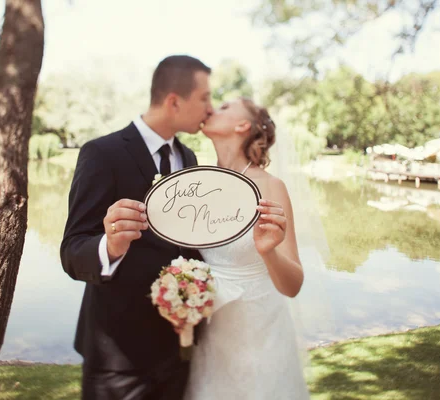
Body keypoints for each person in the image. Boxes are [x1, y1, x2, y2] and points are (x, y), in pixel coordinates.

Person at [60, 55, 213, 400]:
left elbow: (186, 247)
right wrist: (110, 245)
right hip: (117, 358)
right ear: (175, 100)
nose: (209, 108)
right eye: (204, 98)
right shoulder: (102, 153)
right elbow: (72, 251)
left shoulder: (189, 159)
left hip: (176, 349)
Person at [184, 97, 311, 399]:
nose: (213, 108)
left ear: (243, 125)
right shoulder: (197, 184)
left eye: (225, 107)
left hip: (259, 334)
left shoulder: (269, 187)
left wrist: (269, 251)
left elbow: (293, 286)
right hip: (211, 336)